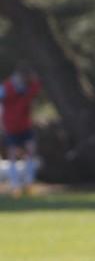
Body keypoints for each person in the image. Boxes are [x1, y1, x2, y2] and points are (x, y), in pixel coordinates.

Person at [0, 63, 42, 197]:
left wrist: (33, 78)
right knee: (12, 154)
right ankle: (15, 185)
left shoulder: (29, 87)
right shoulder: (6, 87)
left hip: (25, 125)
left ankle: (29, 182)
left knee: (31, 151)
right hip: (11, 125)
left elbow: (37, 85)